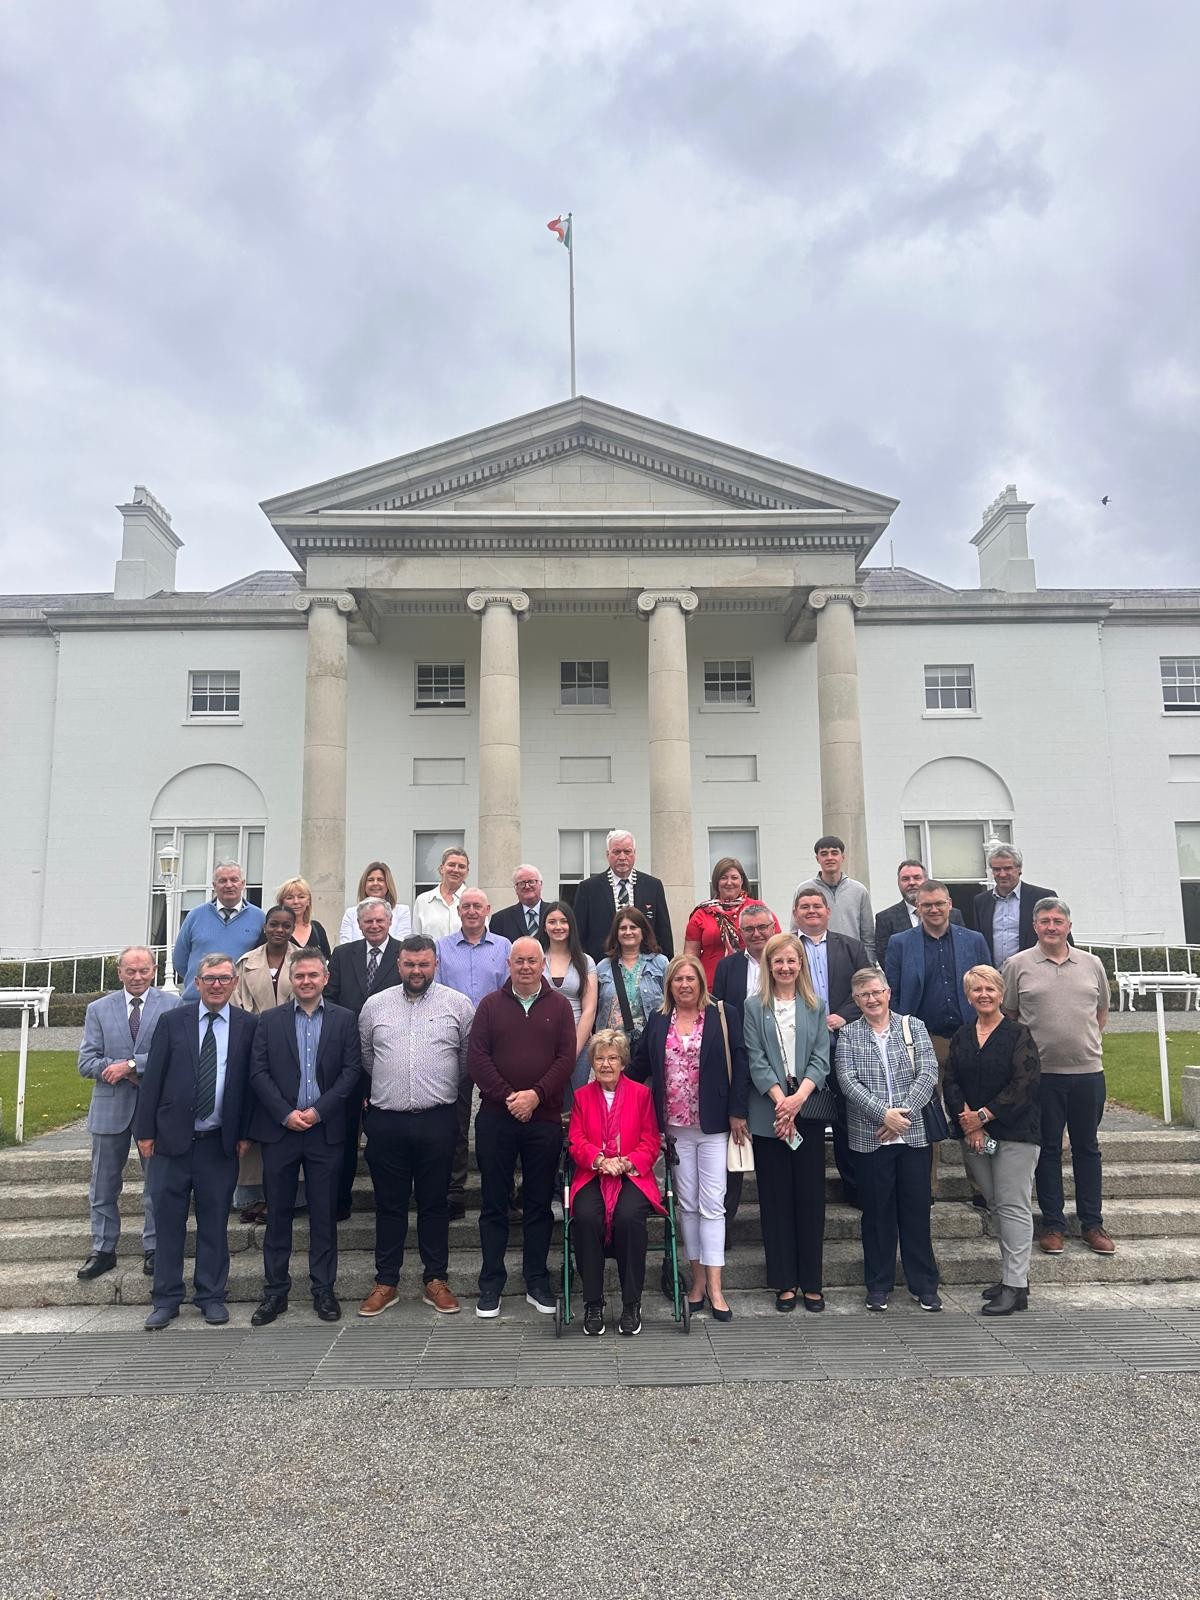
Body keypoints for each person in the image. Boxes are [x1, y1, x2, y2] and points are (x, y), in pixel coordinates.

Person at [134, 953, 256, 1329]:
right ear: (197, 983)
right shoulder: (173, 1021)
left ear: (234, 983)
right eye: (209, 978)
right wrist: (145, 1132)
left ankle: (211, 1295)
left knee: (214, 1223)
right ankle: (166, 1298)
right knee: (168, 1224)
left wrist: (245, 1133)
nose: (216, 984)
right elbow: (152, 1079)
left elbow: (252, 1085)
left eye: (223, 978)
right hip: (171, 1142)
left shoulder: (249, 1026)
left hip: (219, 1144)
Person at [356, 936, 476, 1318]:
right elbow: (367, 1058)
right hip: (387, 1120)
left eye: (423, 964)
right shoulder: (375, 1006)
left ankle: (435, 1280)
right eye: (409, 964)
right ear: (398, 963)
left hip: (437, 1118)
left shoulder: (457, 1005)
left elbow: (464, 1060)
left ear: (435, 964)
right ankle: (386, 1281)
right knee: (388, 1204)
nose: (416, 971)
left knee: (434, 1204)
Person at [631, 953, 749, 1322]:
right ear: (669, 984)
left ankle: (715, 1286)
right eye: (678, 979)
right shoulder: (658, 1020)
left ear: (701, 982)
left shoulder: (723, 1015)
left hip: (714, 1124)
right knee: (688, 1207)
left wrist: (738, 1112)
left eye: (691, 979)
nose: (684, 985)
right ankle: (695, 1281)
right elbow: (639, 1067)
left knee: (713, 1204)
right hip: (674, 1129)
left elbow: (741, 1063)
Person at [247, 948, 362, 1326]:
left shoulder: (346, 1021)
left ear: (325, 979)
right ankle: (275, 1293)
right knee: (278, 1214)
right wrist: (285, 1113)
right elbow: (258, 1073)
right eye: (300, 976)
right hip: (281, 1132)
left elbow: (351, 1073)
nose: (307, 981)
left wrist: (317, 1112)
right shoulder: (269, 1021)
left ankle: (323, 1290)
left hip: (324, 1131)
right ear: (291, 981)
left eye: (314, 975)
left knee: (324, 1216)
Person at [467, 938, 577, 1318]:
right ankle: (491, 1283)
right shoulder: (490, 1006)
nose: (526, 967)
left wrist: (536, 1095)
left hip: (543, 1119)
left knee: (538, 1204)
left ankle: (536, 1280)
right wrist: (511, 1096)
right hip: (497, 1118)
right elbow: (477, 1058)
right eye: (519, 961)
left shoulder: (560, 1007)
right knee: (494, 1203)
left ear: (543, 963)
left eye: (532, 960)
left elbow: (567, 1058)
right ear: (508, 964)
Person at [1003, 898, 1115, 1256]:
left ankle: (1092, 1223)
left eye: (1058, 921)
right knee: (1048, 1149)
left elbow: (1101, 1012)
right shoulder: (1018, 965)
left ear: (1068, 925)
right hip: (1042, 1077)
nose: (1051, 927)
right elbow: (1010, 1015)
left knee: (1087, 1148)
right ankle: (1053, 1224)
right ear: (1035, 926)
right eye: (1044, 921)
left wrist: (1085, 1044)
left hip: (1087, 1073)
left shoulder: (1092, 964)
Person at [835, 968, 942, 1312]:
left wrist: (902, 1116)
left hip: (912, 1136)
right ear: (855, 1000)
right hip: (871, 1137)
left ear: (888, 992)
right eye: (864, 995)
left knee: (915, 1211)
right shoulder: (849, 1035)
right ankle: (878, 1284)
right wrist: (884, 1115)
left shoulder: (914, 1027)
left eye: (876, 992)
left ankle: (924, 1284)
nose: (872, 999)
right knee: (877, 1215)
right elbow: (847, 1082)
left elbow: (928, 1072)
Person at [943, 965, 1041, 1316]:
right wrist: (970, 1123)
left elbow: (1024, 1084)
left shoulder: (1018, 1034)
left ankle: (1015, 1286)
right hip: (977, 1139)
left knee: (1013, 1205)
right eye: (975, 990)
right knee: (997, 1203)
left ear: (1002, 993)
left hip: (1014, 1135)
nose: (983, 995)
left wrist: (983, 1116)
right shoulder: (962, 1035)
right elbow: (951, 1079)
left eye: (990, 989)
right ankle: (1014, 1279)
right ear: (968, 996)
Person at [76, 946, 178, 1282]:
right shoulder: (98, 1009)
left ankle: (154, 1248)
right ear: (118, 972)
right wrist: (115, 1068)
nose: (137, 977)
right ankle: (103, 1249)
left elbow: (176, 1054)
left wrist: (133, 1065)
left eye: (144, 971)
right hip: (110, 1108)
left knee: (157, 1184)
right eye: (130, 971)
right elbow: (86, 1062)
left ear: (154, 969)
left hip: (154, 1110)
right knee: (103, 1185)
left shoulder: (172, 1005)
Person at [884, 879, 991, 1196]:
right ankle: (925, 1189)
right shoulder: (900, 943)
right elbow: (895, 993)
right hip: (922, 1038)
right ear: (917, 908)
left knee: (971, 1112)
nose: (933, 909)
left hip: (968, 1037)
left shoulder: (973, 940)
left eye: (939, 903)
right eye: (926, 904)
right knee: (923, 1113)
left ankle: (982, 1189)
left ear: (950, 905)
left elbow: (989, 987)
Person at [743, 934, 831, 1312]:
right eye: (777, 962)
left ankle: (811, 1280)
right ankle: (784, 1282)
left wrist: (797, 1101)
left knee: (810, 1199)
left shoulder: (815, 1006)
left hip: (806, 1112)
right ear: (769, 966)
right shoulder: (752, 1007)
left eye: (791, 961)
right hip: (770, 1116)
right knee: (775, 1201)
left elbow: (821, 1058)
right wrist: (782, 1103)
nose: (784, 968)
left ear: (800, 965)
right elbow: (756, 1058)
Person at [567, 1029, 665, 1337]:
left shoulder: (641, 1094)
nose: (606, 1064)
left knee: (628, 1217)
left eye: (612, 1058)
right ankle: (593, 1302)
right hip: (593, 1173)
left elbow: (651, 1139)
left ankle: (631, 1302)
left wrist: (627, 1161)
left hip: (632, 1174)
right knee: (584, 1216)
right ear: (592, 1064)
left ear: (623, 1062)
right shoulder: (582, 1097)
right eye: (599, 1058)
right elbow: (576, 1140)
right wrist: (599, 1159)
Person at [435, 888, 512, 1219]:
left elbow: (510, 993)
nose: (471, 911)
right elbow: (435, 994)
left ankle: (504, 1190)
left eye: (476, 906)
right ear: (459, 910)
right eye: (465, 906)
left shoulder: (504, 947)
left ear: (487, 910)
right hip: (454, 1040)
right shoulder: (442, 948)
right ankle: (454, 1190)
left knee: (502, 1115)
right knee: (456, 1117)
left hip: (496, 1042)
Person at [326, 897, 404, 1222]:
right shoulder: (344, 955)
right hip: (346, 1058)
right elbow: (329, 997)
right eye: (368, 922)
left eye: (379, 921)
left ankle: (389, 1204)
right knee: (344, 1133)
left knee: (386, 1136)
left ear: (389, 922)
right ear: (359, 924)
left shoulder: (404, 952)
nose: (374, 926)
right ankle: (339, 1202)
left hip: (390, 1057)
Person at [791, 886, 869, 1208]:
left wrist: (842, 1016)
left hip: (844, 1040)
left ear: (828, 912)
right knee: (804, 1113)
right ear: (795, 914)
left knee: (845, 1115)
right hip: (799, 1042)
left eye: (817, 906)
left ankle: (853, 1187)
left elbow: (865, 987)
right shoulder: (785, 948)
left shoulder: (850, 947)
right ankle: (805, 1191)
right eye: (804, 906)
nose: (811, 911)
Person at [711, 899, 779, 1235]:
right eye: (749, 929)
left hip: (778, 1067)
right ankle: (723, 1224)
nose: (756, 934)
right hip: (737, 1062)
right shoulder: (727, 968)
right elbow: (720, 1014)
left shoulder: (785, 962)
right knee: (734, 1146)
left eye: (762, 928)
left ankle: (774, 1227)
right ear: (740, 933)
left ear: (773, 928)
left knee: (771, 1149)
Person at [231, 903, 298, 1224]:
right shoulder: (246, 963)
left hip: (294, 1051)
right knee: (257, 1123)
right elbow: (238, 1006)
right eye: (274, 924)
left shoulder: (304, 960)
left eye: (286, 926)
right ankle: (255, 1195)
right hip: (253, 1048)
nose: (279, 930)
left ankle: (281, 1196)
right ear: (266, 926)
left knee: (285, 1124)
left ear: (292, 928)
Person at [572, 829, 674, 963]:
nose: (622, 857)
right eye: (616, 852)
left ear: (635, 854)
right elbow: (578, 936)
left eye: (627, 852)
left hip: (646, 970)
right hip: (602, 969)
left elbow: (664, 933)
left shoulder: (653, 886)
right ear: (607, 854)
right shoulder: (589, 888)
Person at [171, 860, 265, 1001]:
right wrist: (205, 983)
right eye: (222, 881)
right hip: (196, 1002)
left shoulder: (259, 918)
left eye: (234, 880)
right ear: (214, 886)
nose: (229, 885)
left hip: (239, 1004)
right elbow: (180, 960)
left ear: (243, 884)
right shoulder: (195, 916)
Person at [539, 899, 598, 1097]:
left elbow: (589, 1009)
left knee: (574, 1105)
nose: (558, 927)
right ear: (544, 927)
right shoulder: (535, 958)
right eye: (552, 922)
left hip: (578, 1044)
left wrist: (573, 1052)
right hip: (541, 1044)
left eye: (563, 921)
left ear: (571, 925)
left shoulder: (585, 961)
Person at [974, 846, 1061, 967]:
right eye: (997, 869)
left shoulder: (1043, 897)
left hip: (1033, 973)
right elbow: (977, 942)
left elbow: (1062, 936)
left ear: (1019, 869)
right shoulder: (981, 902)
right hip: (994, 978)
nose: (1002, 874)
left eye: (1008, 868)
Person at [595, 907, 669, 1047]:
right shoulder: (602, 968)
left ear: (643, 931)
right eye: (623, 928)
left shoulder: (660, 963)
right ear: (616, 933)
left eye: (633, 927)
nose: (628, 932)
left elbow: (672, 1003)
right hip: (612, 1048)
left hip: (651, 1045)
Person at [793, 835, 874, 960]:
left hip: (852, 958)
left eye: (834, 853)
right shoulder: (803, 889)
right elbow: (794, 931)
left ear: (843, 857)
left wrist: (868, 966)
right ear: (817, 859)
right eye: (824, 854)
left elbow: (868, 937)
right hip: (814, 960)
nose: (829, 858)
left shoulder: (859, 890)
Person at [874, 860, 963, 967]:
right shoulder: (886, 919)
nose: (911, 883)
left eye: (917, 878)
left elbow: (961, 950)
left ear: (926, 880)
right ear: (898, 883)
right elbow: (886, 960)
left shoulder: (952, 914)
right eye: (905, 879)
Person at [684, 856, 753, 987]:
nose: (729, 882)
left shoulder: (757, 909)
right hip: (711, 984)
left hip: (750, 981)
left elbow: (774, 946)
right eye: (723, 877)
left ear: (742, 880)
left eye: (734, 877)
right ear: (716, 882)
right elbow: (690, 957)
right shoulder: (702, 913)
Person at [337, 862, 412, 947]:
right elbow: (346, 947)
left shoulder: (402, 911)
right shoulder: (351, 913)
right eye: (370, 880)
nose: (375, 883)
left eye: (380, 880)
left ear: (388, 884)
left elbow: (402, 946)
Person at [413, 846, 470, 939]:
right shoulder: (423, 901)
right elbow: (415, 940)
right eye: (451, 865)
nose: (456, 870)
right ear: (441, 868)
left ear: (467, 872)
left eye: (461, 866)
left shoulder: (475, 901)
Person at [275, 876, 331, 958]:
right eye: (289, 898)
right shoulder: (273, 929)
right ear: (282, 902)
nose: (296, 902)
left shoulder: (317, 928)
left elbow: (327, 959)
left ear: (308, 901)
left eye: (301, 897)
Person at [490, 865, 550, 942]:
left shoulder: (554, 913)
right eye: (521, 883)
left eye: (531, 882)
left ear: (541, 884)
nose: (527, 886)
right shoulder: (500, 919)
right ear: (515, 888)